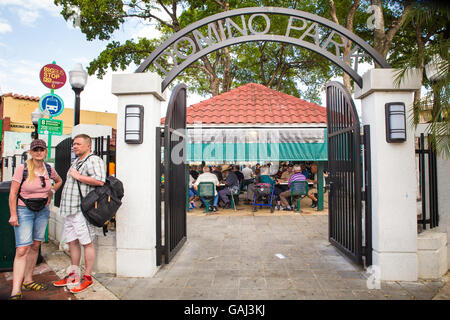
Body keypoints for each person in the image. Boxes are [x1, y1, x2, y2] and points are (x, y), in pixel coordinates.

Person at [8, 139, 63, 300]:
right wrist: (13, 214)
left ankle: (28, 280)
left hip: (42, 211)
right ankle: (15, 290)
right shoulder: (22, 169)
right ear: (31, 152)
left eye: (42, 149)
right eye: (36, 149)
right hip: (24, 210)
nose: (39, 152)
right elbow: (12, 193)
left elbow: (59, 180)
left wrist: (51, 191)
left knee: (35, 245)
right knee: (22, 249)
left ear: (46, 152)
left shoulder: (48, 169)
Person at [53, 134, 106, 293]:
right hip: (70, 210)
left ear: (88, 146)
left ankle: (88, 277)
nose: (74, 146)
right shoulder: (76, 161)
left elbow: (100, 181)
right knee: (73, 242)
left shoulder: (93, 160)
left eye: (78, 144)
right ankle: (74, 274)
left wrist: (78, 176)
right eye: (74, 144)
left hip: (82, 210)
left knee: (86, 243)